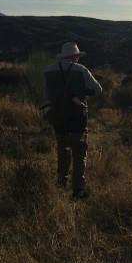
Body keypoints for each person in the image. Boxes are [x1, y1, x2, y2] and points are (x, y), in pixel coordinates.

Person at [44, 42, 102, 198]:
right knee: (79, 153)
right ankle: (78, 189)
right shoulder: (81, 70)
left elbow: (46, 93)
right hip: (78, 117)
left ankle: (61, 181)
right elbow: (98, 89)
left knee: (63, 148)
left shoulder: (49, 70)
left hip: (58, 116)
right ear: (75, 56)